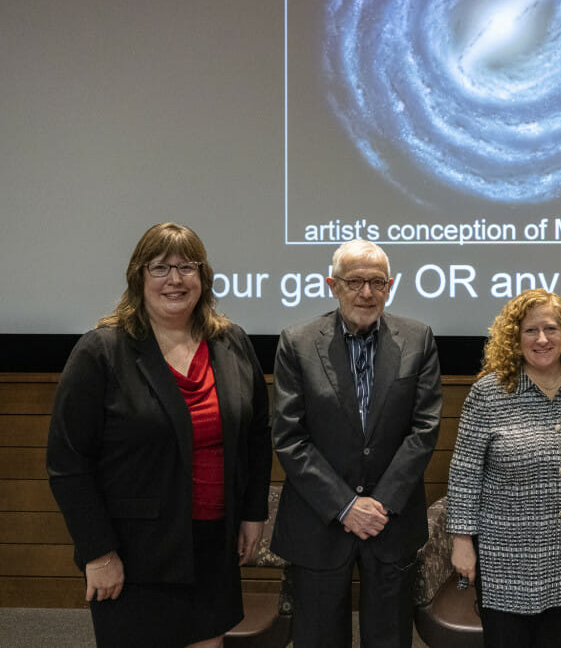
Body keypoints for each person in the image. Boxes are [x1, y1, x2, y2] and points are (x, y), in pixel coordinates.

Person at [46, 222, 272, 648]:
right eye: (160, 268)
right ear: (138, 276)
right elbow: (68, 463)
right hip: (134, 555)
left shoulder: (231, 343)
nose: (175, 279)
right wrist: (98, 553)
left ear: (203, 278)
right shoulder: (101, 351)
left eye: (187, 267)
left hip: (212, 546)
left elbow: (257, 437)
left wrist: (252, 513)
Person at [270, 238, 442, 647]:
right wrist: (346, 506)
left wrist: (378, 504)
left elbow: (424, 428)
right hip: (320, 521)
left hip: (390, 520)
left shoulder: (418, 340)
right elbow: (290, 436)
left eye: (377, 282)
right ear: (332, 285)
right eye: (354, 282)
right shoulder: (297, 342)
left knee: (390, 639)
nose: (366, 292)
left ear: (390, 286)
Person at [447, 289, 561, 648]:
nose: (542, 339)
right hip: (505, 555)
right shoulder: (488, 393)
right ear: (514, 338)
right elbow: (464, 472)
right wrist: (462, 541)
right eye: (530, 331)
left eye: (551, 329)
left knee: (555, 639)